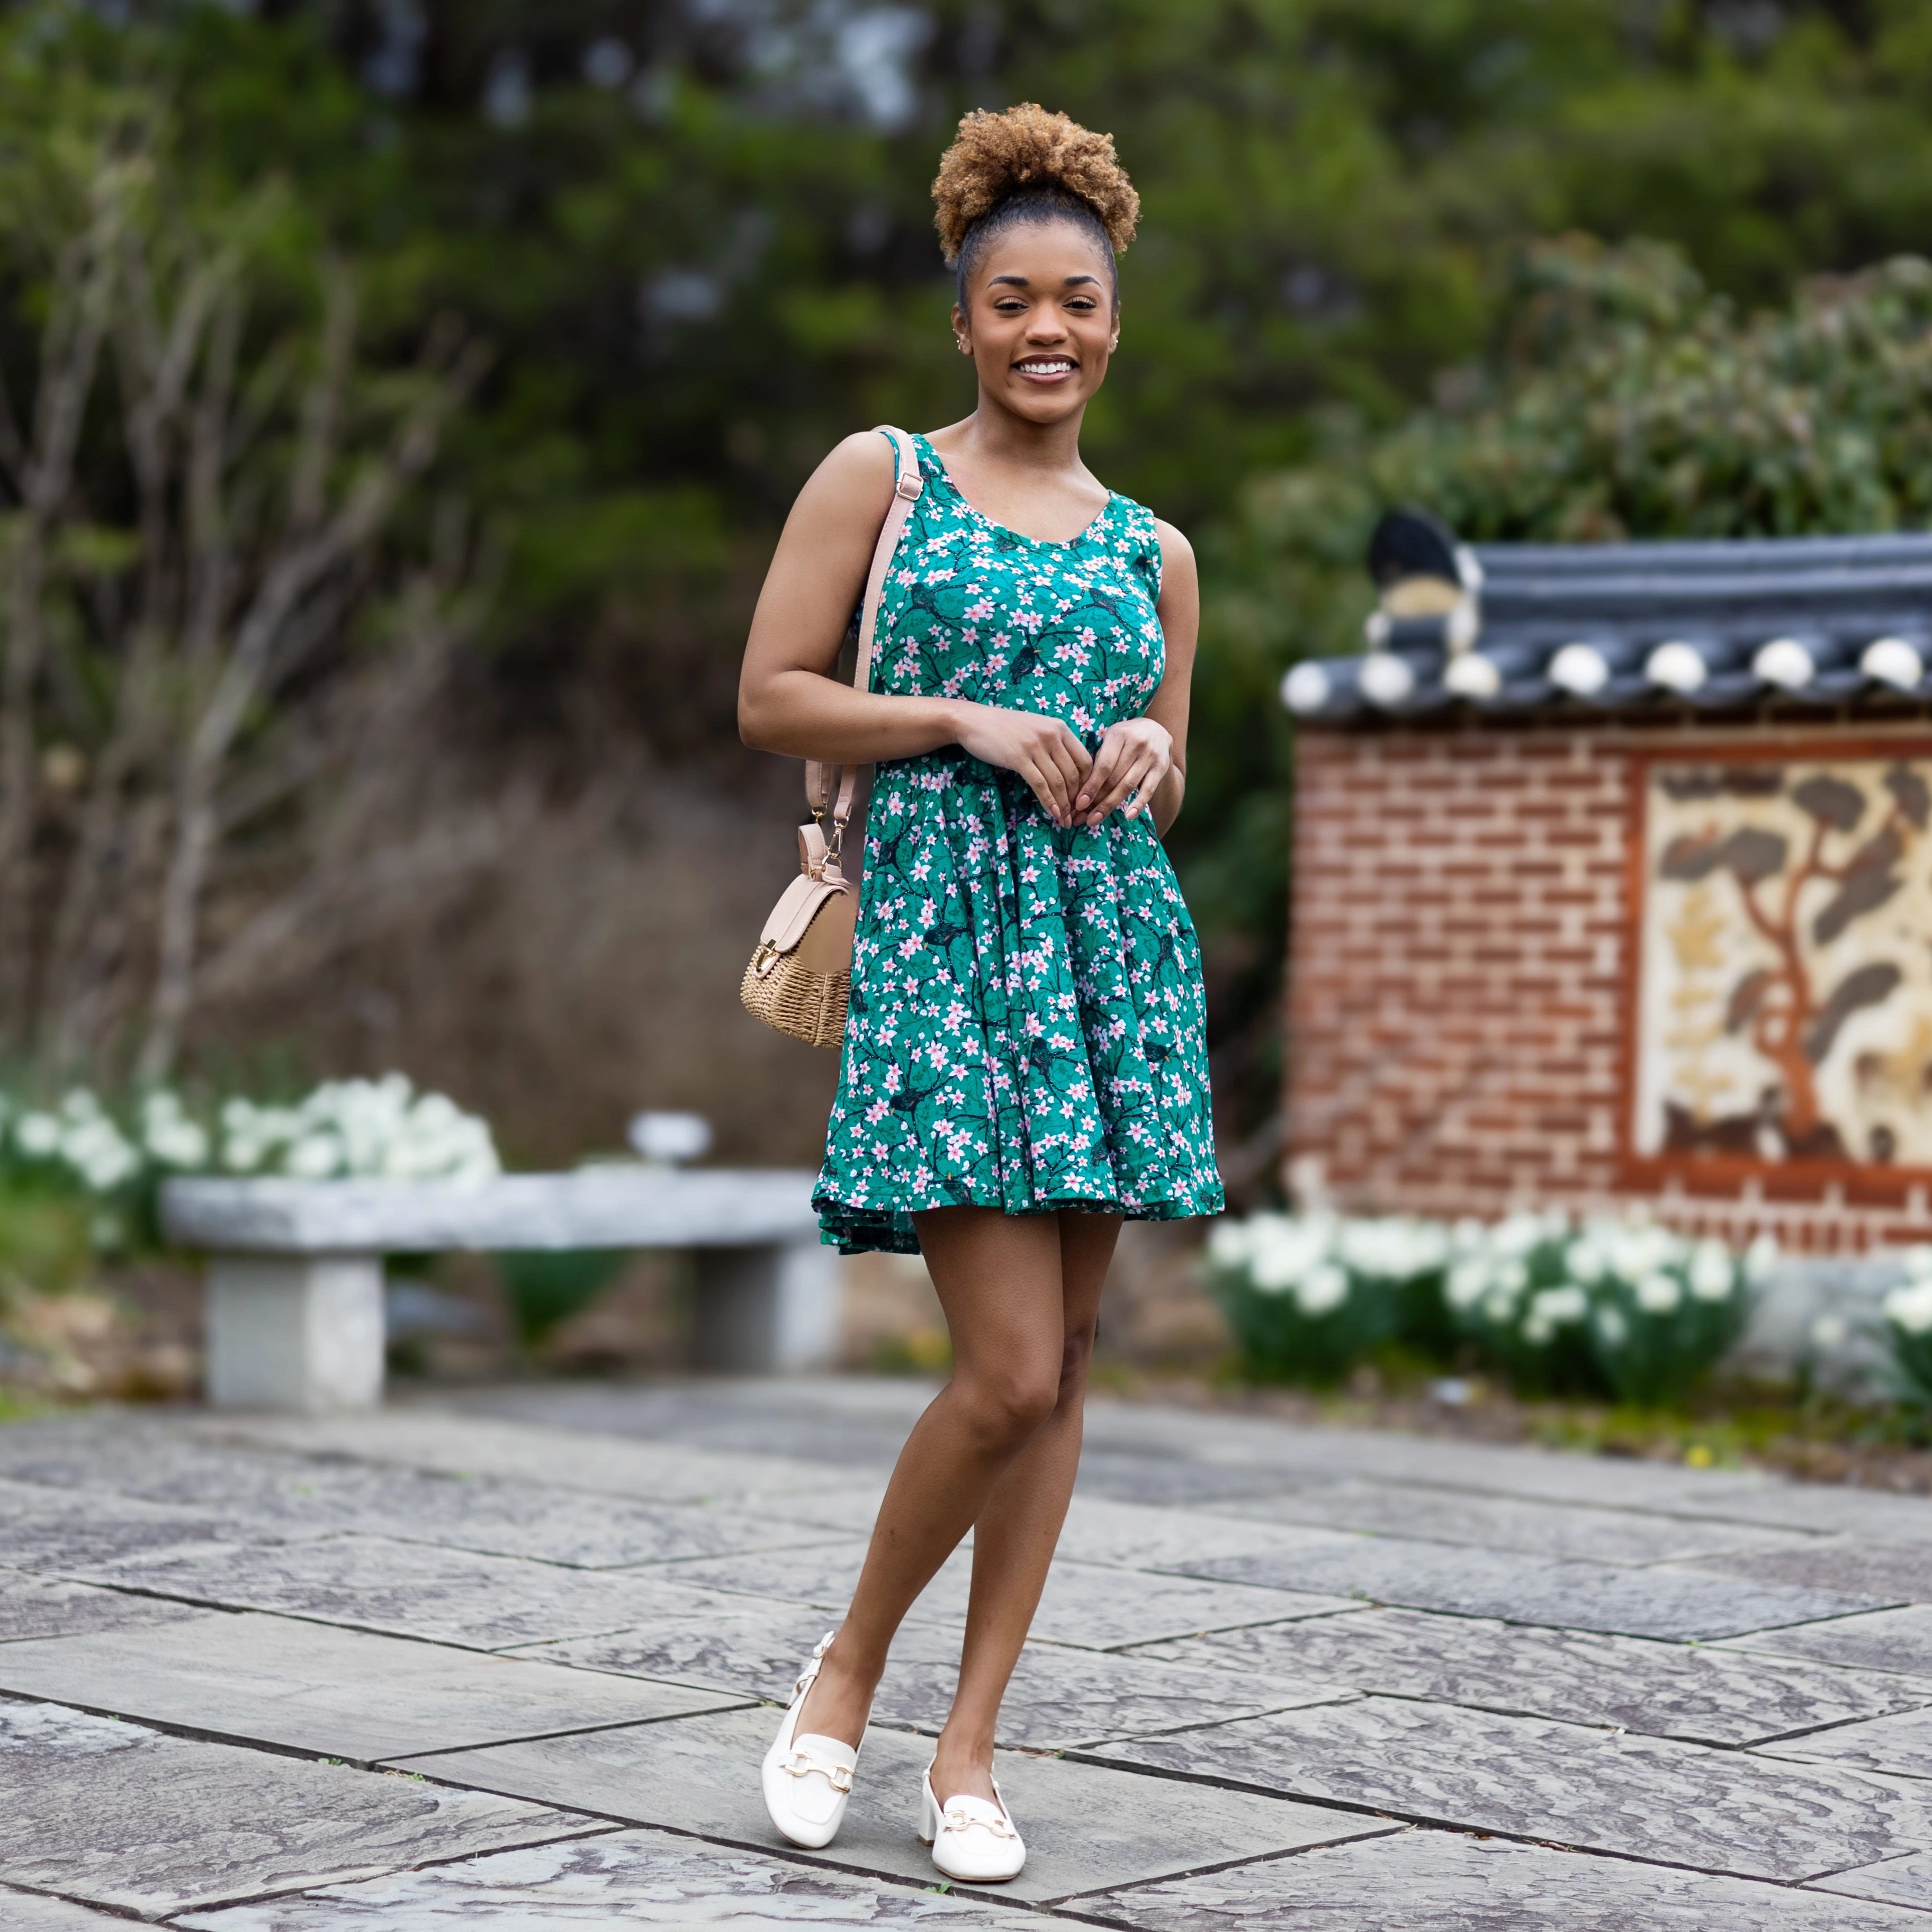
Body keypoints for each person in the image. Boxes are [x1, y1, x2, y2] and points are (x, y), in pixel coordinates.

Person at [736, 101, 1223, 1884]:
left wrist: (1150, 746)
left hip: (1108, 959)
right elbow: (771, 697)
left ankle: (971, 1745)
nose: (1045, 329)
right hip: (945, 955)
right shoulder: (881, 476)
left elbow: (1166, 767)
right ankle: (845, 1675)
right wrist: (955, 720)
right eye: (1009, 297)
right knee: (1007, 1368)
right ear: (962, 319)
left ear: (1113, 319)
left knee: (1070, 1362)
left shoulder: (1157, 549)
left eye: (1075, 301)